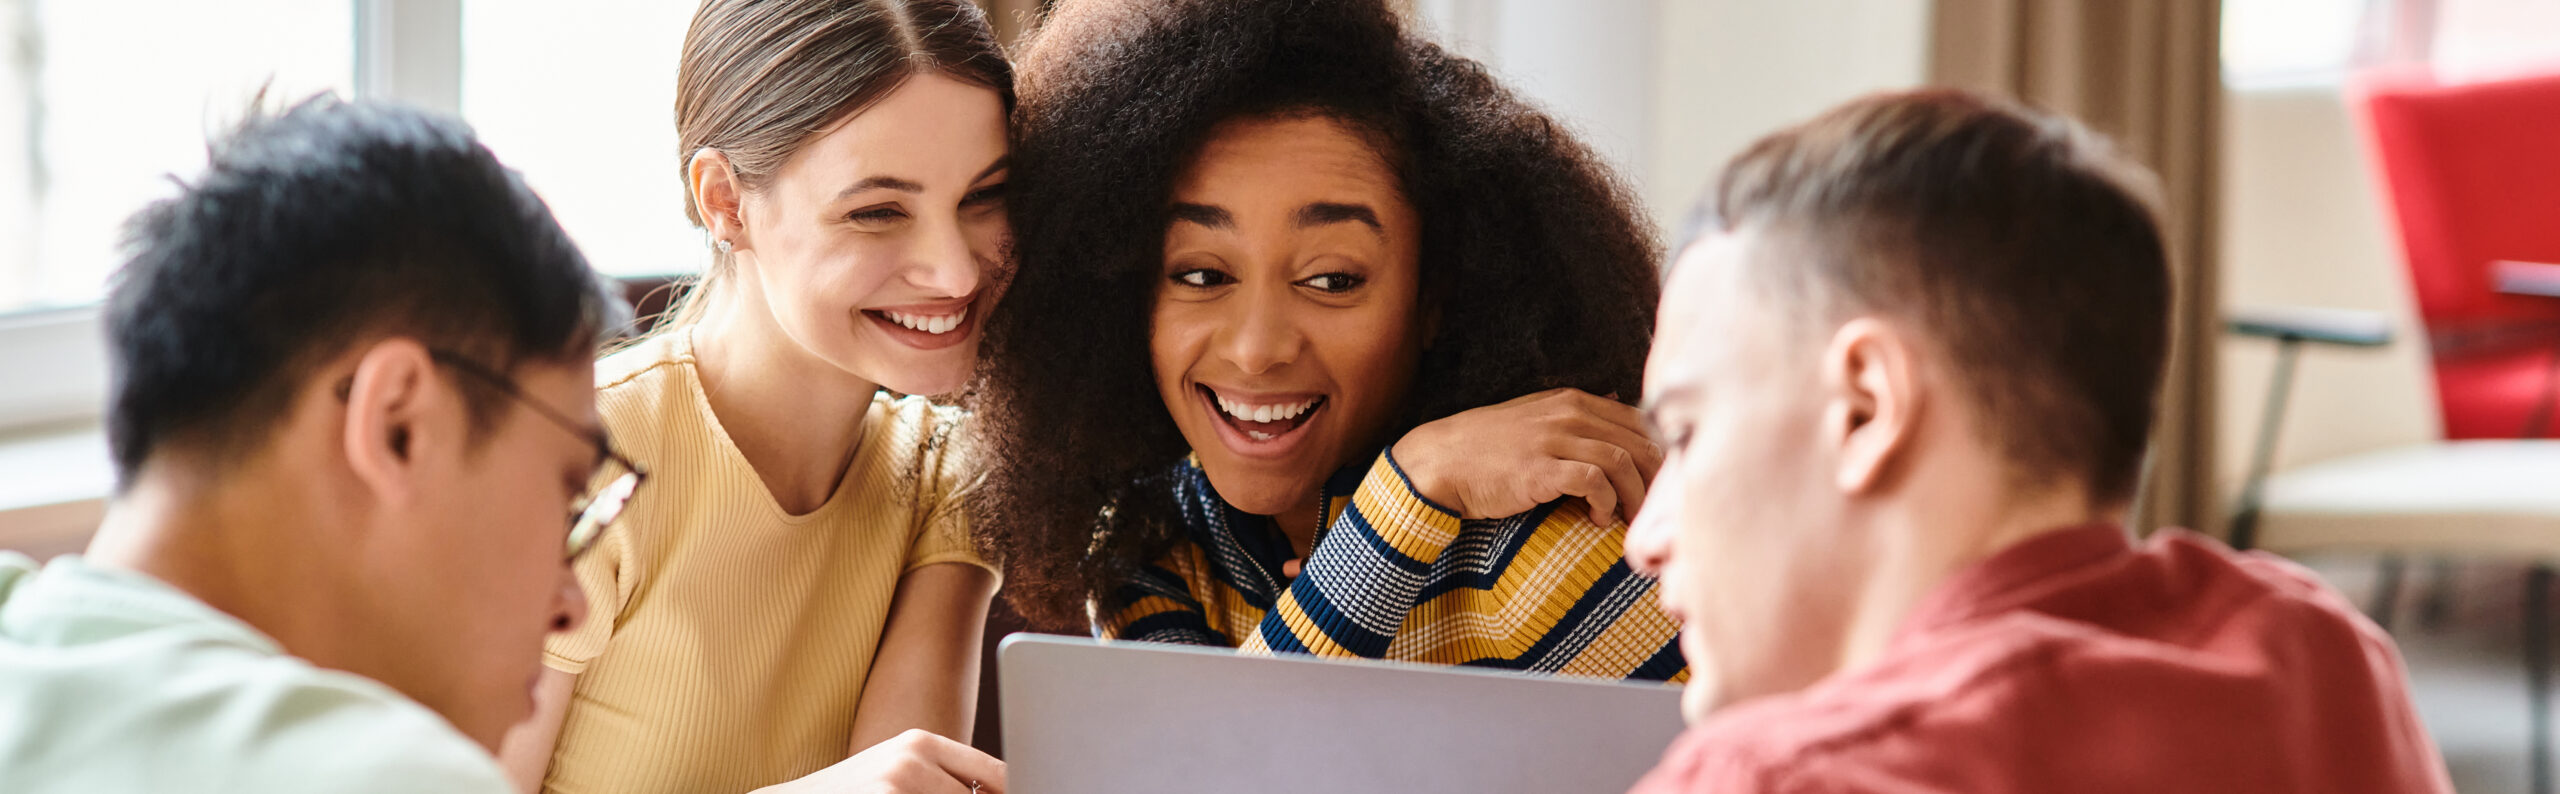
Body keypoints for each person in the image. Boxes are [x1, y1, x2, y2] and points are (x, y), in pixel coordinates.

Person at [1623, 89, 2454, 793]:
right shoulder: (2325, 662)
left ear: (1867, 407)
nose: (1645, 538)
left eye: (1687, 434)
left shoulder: (1780, 776)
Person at [978, 0, 1682, 681]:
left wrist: (1398, 508)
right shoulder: (1153, 543)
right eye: (1201, 274)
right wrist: (1405, 499)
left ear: (1432, 299)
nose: (1256, 349)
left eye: (1332, 280)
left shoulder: (1565, 554)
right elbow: (1200, 750)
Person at [493, 1, 1014, 792]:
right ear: (725, 202)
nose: (956, 271)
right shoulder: (576, 458)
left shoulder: (948, 476)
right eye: (877, 212)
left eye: (984, 196)